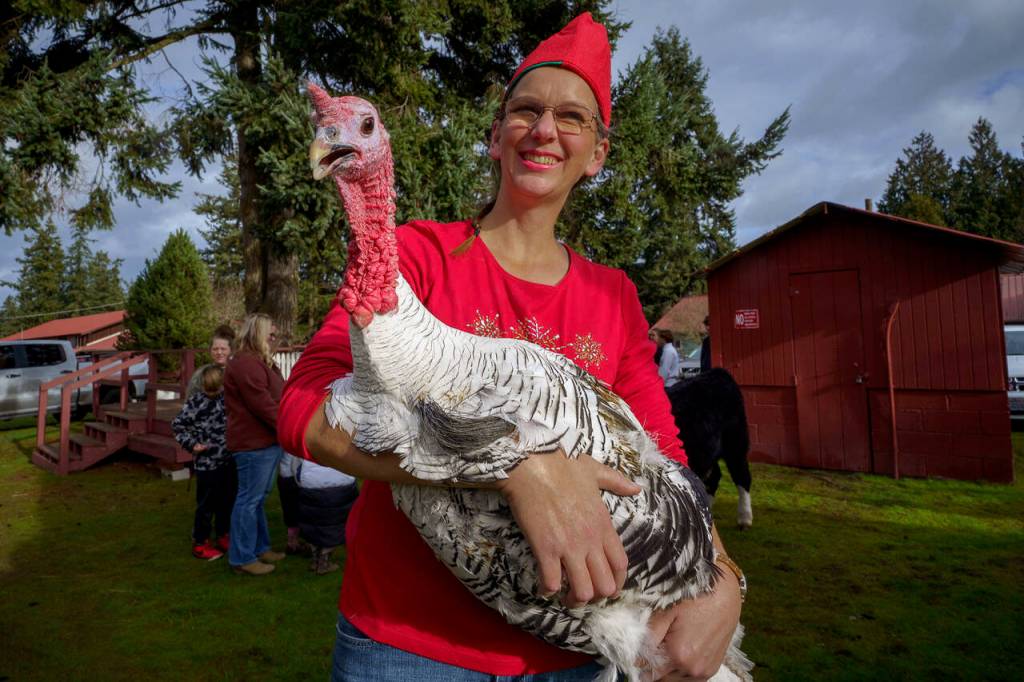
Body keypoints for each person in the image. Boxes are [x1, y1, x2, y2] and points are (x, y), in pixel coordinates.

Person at [279, 13, 742, 680]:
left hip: (575, 655)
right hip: (408, 649)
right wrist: (514, 466)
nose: (546, 129)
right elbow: (304, 414)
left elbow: (662, 457)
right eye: (526, 110)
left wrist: (724, 576)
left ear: (599, 154)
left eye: (572, 117)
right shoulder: (417, 255)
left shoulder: (611, 295)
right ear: (496, 136)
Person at [224, 313, 286, 576]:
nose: (274, 339)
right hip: (253, 445)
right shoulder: (246, 365)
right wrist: (291, 427)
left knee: (257, 500)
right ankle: (242, 557)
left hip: (266, 442)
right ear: (257, 334)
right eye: (270, 335)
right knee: (249, 501)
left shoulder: (261, 363)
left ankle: (260, 547)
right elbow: (263, 406)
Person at [172, 364, 234, 561]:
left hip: (226, 460)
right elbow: (178, 425)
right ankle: (200, 542)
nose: (213, 393)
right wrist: (192, 444)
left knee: (226, 501)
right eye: (209, 390)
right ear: (203, 386)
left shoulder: (227, 400)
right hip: (206, 465)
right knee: (206, 506)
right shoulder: (195, 403)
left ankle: (224, 535)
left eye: (217, 389)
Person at [186, 325, 235, 399]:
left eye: (223, 349)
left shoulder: (237, 372)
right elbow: (190, 399)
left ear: (231, 350)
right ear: (210, 350)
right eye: (215, 349)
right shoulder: (201, 372)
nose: (219, 352)